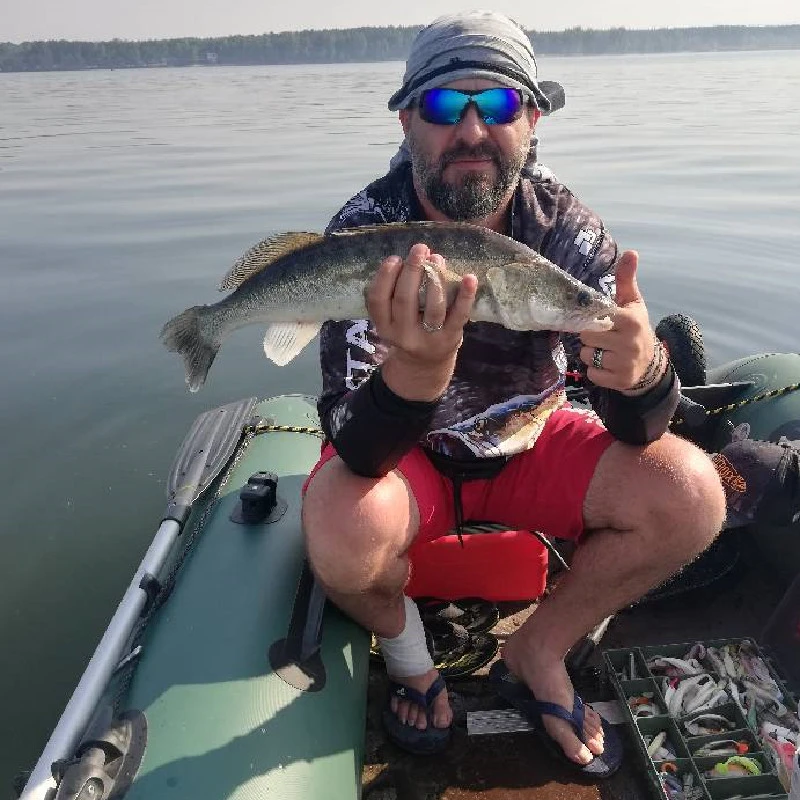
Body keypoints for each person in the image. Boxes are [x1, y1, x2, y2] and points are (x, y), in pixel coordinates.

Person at [301, 10, 727, 776]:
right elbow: (354, 445)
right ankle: (411, 663)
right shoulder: (366, 233)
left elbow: (639, 422)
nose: (471, 130)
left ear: (531, 117)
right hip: (412, 461)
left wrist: (642, 374)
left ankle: (541, 647)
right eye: (442, 106)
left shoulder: (566, 228)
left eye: (496, 104)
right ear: (407, 120)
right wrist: (416, 381)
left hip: (534, 444)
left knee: (693, 494)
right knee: (338, 525)